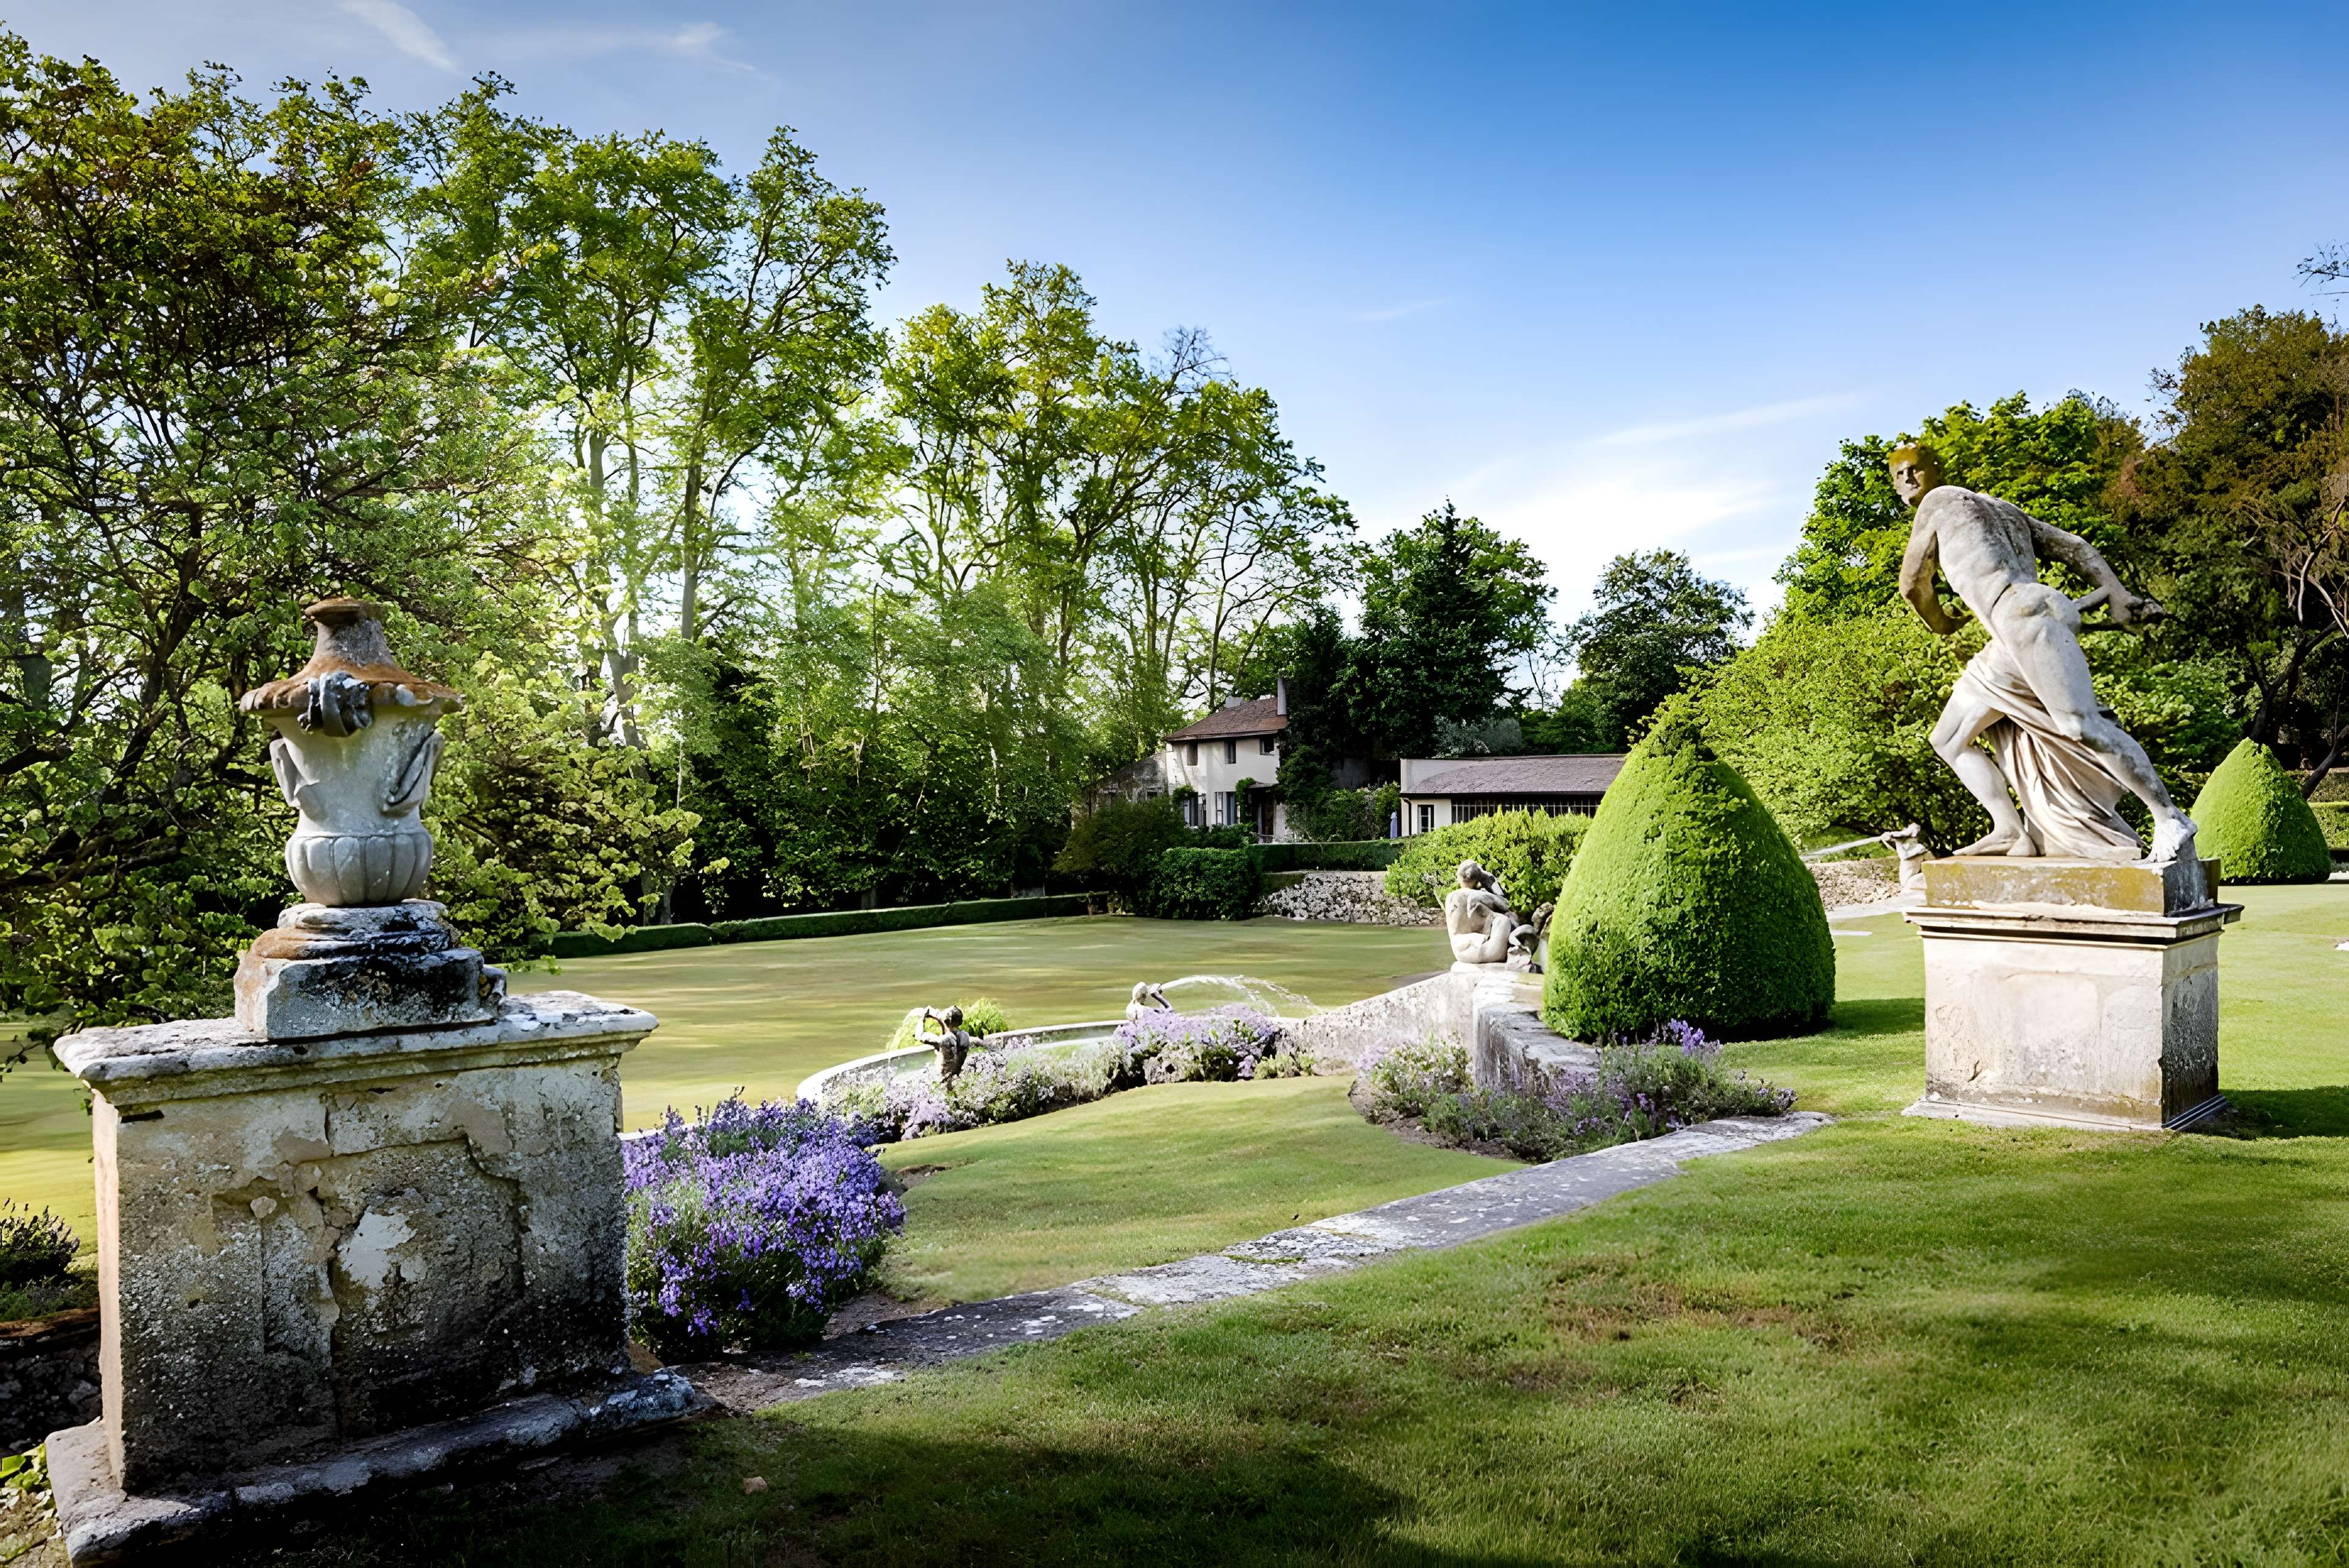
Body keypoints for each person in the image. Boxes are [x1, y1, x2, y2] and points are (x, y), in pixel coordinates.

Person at [1893, 443, 2197, 864]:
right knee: (1947, 738)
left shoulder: (1939, 501)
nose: (1907, 480)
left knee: (2079, 725)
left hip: (2021, 617)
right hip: (2015, 631)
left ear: (1937, 470)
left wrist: (1942, 623)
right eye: (1899, 475)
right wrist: (2118, 594)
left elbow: (1912, 584)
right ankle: (2009, 831)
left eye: (1914, 470)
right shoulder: (2004, 509)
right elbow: (2075, 547)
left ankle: (2169, 818)